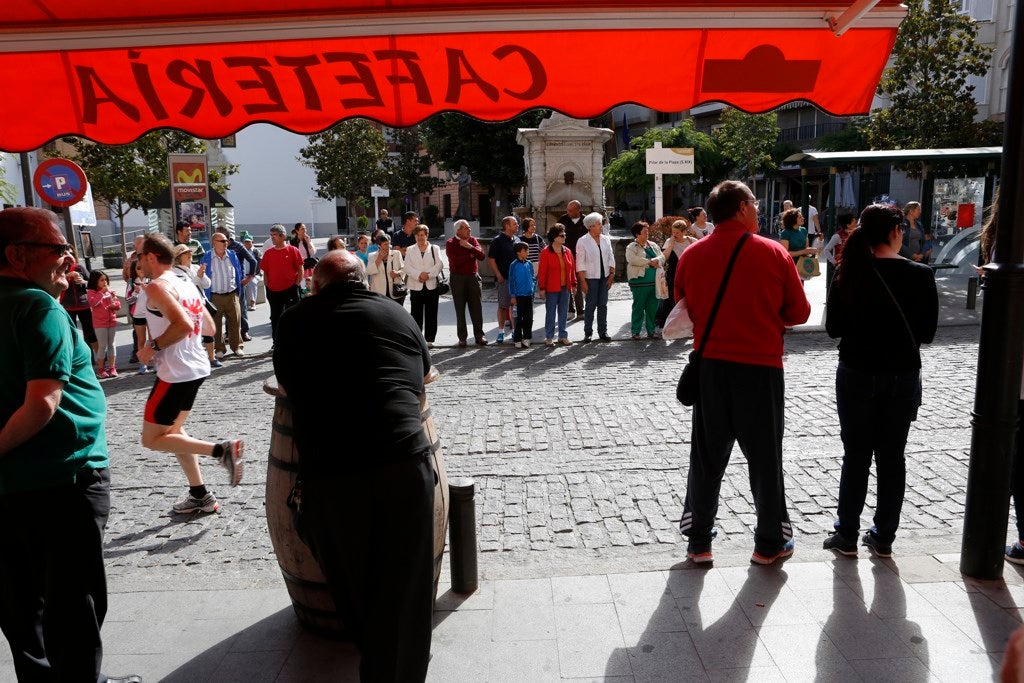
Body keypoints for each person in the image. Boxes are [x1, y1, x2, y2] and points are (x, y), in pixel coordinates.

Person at [274, 250, 436, 682]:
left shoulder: (294, 319)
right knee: (408, 583)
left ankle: (378, 663)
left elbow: (289, 381)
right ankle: (400, 670)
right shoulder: (397, 314)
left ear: (315, 284)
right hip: (404, 462)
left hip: (334, 470)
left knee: (352, 582)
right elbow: (424, 374)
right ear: (363, 280)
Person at [0, 207, 140, 683]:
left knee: (21, 609)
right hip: (62, 481)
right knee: (72, 606)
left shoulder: (31, 300)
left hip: (12, 491)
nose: (71, 260)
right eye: (59, 249)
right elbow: (43, 401)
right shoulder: (36, 306)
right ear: (17, 255)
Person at [673, 180, 811, 565]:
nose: (757, 208)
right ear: (742, 208)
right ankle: (769, 543)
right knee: (765, 458)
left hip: (711, 367)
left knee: (706, 458)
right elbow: (799, 313)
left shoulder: (692, 255)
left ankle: (698, 542)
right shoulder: (772, 252)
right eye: (753, 201)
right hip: (760, 368)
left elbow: (681, 303)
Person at [822, 204, 938, 558]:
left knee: (855, 455)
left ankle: (846, 535)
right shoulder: (920, 274)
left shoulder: (849, 271)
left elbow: (833, 329)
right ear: (896, 232)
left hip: (856, 372)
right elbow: (928, 333)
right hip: (902, 375)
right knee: (892, 457)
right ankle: (884, 535)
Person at [135, 233, 244, 514]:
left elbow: (183, 325)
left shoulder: (157, 287)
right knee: (175, 432)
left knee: (151, 439)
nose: (138, 262)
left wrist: (152, 346)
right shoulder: (185, 282)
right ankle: (200, 495)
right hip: (195, 367)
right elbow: (208, 326)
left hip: (174, 372)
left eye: (139, 256)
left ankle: (222, 451)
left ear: (150, 257)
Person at [172, 244, 220, 368]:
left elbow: (208, 284)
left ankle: (211, 357)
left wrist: (202, 275)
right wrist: (198, 276)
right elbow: (186, 289)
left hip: (201, 305)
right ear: (178, 257)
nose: (190, 255)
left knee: (208, 333)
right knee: (192, 336)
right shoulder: (175, 272)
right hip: (188, 309)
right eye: (186, 253)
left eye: (190, 252)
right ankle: (193, 360)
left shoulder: (194, 267)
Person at [201, 231, 245, 358]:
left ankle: (237, 346)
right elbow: (202, 275)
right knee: (216, 324)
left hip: (232, 294)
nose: (226, 243)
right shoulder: (207, 257)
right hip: (215, 296)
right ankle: (219, 349)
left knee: (235, 322)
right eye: (223, 241)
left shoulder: (232, 255)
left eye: (227, 240)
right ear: (214, 243)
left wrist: (238, 289)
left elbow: (238, 271)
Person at [445, 219, 488, 347]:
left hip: (473, 277)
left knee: (477, 308)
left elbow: (481, 255)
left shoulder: (473, 241)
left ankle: (479, 335)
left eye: (469, 227)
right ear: (458, 230)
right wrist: (469, 256)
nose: (469, 230)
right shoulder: (450, 242)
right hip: (457, 278)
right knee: (460, 309)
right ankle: (462, 337)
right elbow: (454, 262)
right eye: (466, 228)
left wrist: (470, 247)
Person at [260, 224, 304, 345]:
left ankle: (294, 341)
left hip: (290, 289)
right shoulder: (268, 253)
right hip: (273, 291)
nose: (272, 238)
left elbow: (300, 269)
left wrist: (296, 284)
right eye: (271, 235)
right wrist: (267, 286)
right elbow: (266, 272)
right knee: (275, 318)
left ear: (283, 236)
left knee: (292, 317)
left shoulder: (293, 250)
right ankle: (277, 343)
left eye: (274, 235)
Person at [575, 212, 615, 342]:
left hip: (605, 276)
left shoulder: (606, 239)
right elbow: (580, 263)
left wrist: (612, 275)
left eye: (600, 223)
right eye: (598, 224)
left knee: (603, 305)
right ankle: (588, 332)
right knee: (590, 305)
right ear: (590, 226)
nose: (601, 226)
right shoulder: (582, 241)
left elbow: (611, 257)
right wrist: (583, 282)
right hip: (591, 278)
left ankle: (603, 331)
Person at [214, 227, 258, 342]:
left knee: (241, 309)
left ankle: (244, 332)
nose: (220, 242)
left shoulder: (237, 246)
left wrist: (248, 278)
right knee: (228, 310)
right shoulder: (216, 249)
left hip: (238, 284)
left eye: (222, 239)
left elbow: (253, 261)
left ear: (227, 238)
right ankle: (229, 334)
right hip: (224, 286)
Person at [404, 225, 443, 348]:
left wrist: (428, 275)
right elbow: (407, 267)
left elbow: (439, 264)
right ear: (415, 236)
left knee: (431, 314)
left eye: (422, 235)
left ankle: (430, 340)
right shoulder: (410, 249)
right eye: (418, 235)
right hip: (416, 286)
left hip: (432, 285)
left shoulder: (434, 248)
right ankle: (417, 339)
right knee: (416, 314)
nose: (420, 237)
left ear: (426, 235)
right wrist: (419, 275)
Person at [655, 218, 699, 330]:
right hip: (673, 275)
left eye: (677, 233)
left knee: (690, 301)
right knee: (670, 301)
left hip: (690, 276)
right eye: (673, 232)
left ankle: (690, 326)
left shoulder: (692, 241)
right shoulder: (669, 242)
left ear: (684, 232)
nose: (674, 234)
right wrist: (671, 244)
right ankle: (665, 326)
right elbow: (664, 257)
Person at [537, 224, 576, 347]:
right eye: (562, 235)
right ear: (554, 237)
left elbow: (572, 269)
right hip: (551, 288)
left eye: (565, 234)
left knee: (564, 312)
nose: (564, 237)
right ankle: (549, 337)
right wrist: (542, 288)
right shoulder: (545, 252)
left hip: (565, 288)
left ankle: (563, 336)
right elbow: (542, 272)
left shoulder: (567, 251)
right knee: (551, 313)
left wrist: (574, 284)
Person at [625, 221, 665, 339]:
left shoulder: (653, 245)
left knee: (653, 307)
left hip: (655, 282)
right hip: (639, 282)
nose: (647, 234)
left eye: (647, 232)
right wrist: (649, 262)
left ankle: (651, 331)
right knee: (638, 307)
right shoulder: (631, 247)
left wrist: (657, 260)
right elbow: (632, 260)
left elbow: (662, 257)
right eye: (644, 232)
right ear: (637, 234)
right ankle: (636, 331)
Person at [61, 244, 99, 362]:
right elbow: (54, 282)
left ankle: (98, 357)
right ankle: (76, 359)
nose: (69, 256)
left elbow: (93, 284)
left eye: (71, 254)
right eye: (66, 253)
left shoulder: (80, 267)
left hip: (83, 304)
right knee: (71, 333)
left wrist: (83, 281)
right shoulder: (61, 269)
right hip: (68, 305)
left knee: (89, 332)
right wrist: (66, 276)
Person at [487, 216, 520, 343]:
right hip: (504, 278)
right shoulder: (497, 240)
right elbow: (491, 259)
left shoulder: (516, 239)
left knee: (514, 306)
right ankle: (501, 332)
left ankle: (513, 331)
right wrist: (498, 275)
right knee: (503, 306)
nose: (517, 225)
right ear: (507, 225)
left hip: (516, 279)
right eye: (515, 224)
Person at [87, 270, 121, 378]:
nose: (105, 282)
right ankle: (101, 370)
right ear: (95, 281)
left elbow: (118, 304)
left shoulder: (109, 292)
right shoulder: (91, 292)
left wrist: (114, 305)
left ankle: (112, 368)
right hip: (100, 323)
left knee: (112, 345)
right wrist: (102, 292)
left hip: (112, 321)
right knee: (102, 346)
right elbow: (93, 303)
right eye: (102, 280)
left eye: (105, 279)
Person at [558, 200, 587, 319]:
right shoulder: (563, 220)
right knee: (567, 283)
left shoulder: (586, 221)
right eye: (567, 210)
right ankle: (570, 309)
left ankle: (581, 310)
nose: (567, 212)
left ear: (578, 210)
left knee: (580, 284)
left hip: (581, 257)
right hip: (566, 256)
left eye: (570, 210)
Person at [366, 234, 406, 305]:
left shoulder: (396, 253)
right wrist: (379, 259)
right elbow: (369, 271)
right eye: (385, 244)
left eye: (389, 243)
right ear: (379, 246)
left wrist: (398, 273)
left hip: (395, 292)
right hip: (380, 293)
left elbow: (404, 269)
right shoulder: (372, 256)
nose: (388, 246)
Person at [508, 242, 535, 348]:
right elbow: (511, 281)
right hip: (518, 296)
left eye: (527, 250)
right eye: (525, 251)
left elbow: (533, 277)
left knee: (528, 318)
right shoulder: (513, 265)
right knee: (518, 318)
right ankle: (517, 339)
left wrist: (532, 287)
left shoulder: (529, 264)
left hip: (529, 295)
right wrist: (513, 295)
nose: (527, 252)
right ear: (518, 252)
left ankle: (527, 338)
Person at [779, 208, 818, 277]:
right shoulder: (785, 233)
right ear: (793, 219)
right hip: (790, 265)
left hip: (802, 265)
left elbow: (806, 249)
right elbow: (785, 254)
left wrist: (812, 251)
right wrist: (804, 251)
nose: (803, 218)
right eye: (800, 217)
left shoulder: (803, 230)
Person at [519, 217, 546, 286]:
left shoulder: (537, 238)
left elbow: (545, 250)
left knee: (533, 288)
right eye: (531, 225)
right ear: (526, 226)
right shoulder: (520, 239)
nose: (534, 227)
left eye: (534, 225)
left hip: (536, 268)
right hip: (524, 266)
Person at [291, 222, 318, 287]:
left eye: (305, 228)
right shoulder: (291, 242)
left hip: (309, 268)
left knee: (311, 287)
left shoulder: (307, 240)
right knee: (303, 288)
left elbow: (313, 253)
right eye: (302, 229)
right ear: (297, 231)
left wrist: (308, 242)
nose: (305, 230)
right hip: (299, 269)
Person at [240, 231, 261, 311]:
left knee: (252, 282)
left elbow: (260, 263)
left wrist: (253, 274)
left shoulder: (256, 251)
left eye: (249, 241)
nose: (247, 243)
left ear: (252, 242)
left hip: (255, 274)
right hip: (244, 274)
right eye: (245, 242)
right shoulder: (241, 251)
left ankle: (253, 302)